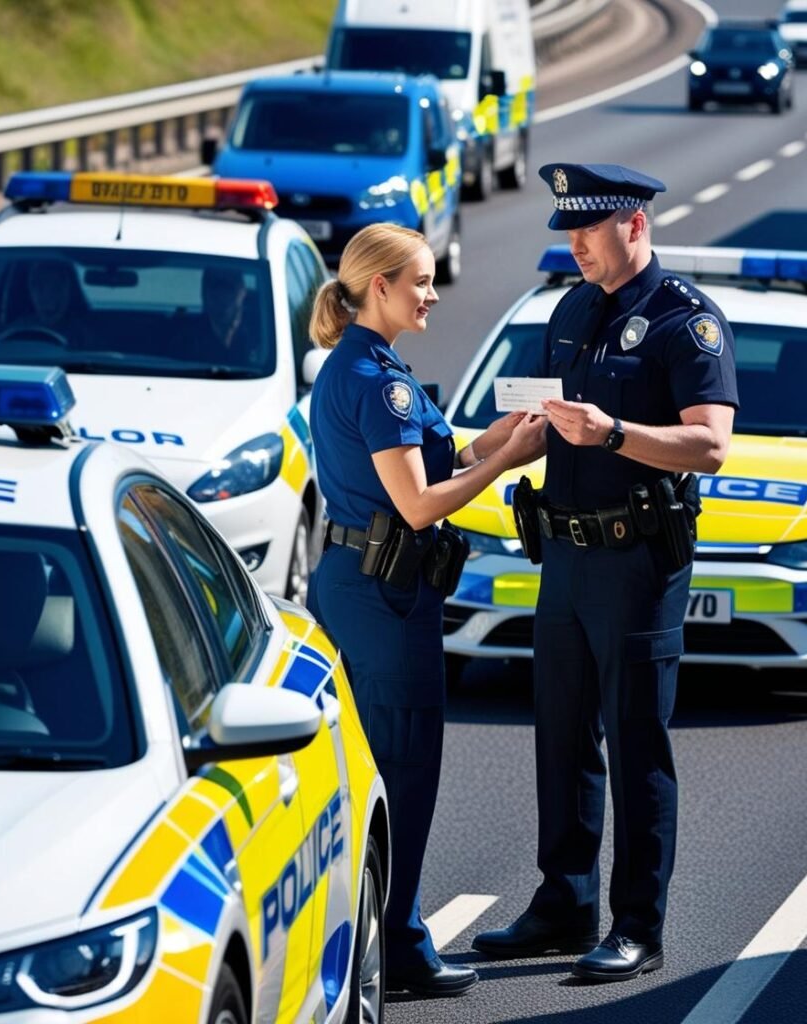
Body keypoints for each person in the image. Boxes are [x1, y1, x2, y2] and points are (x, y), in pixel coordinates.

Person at [472, 164, 739, 982]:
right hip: (566, 554)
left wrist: (614, 431)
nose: (575, 245)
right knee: (561, 736)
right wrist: (522, 431)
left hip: (637, 561)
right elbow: (558, 425)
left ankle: (637, 925)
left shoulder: (685, 322)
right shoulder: (571, 308)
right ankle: (563, 903)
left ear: (634, 224)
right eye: (568, 231)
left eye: (588, 230)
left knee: (634, 743)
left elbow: (712, 445)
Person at [307, 222, 545, 997]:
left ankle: (390, 932)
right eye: (421, 280)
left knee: (380, 771)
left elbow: (418, 463)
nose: (434, 293)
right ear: (380, 286)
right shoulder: (382, 380)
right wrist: (506, 461)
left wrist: (488, 442)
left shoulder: (361, 365)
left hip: (360, 583)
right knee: (402, 773)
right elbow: (415, 505)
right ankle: (401, 945)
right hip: (385, 596)